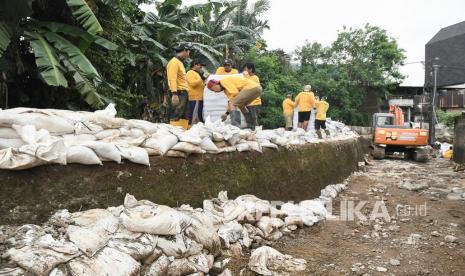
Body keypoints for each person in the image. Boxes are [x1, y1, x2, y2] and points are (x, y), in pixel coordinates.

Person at [166, 44, 190, 129]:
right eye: (188, 52)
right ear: (184, 51)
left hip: (183, 92)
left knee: (184, 115)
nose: (188, 55)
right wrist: (174, 94)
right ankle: (174, 132)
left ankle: (183, 133)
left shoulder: (179, 62)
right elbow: (172, 78)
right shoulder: (174, 62)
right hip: (178, 92)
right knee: (176, 114)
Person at [186, 60, 206, 125]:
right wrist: (201, 78)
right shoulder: (190, 73)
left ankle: (197, 129)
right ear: (195, 65)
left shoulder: (196, 73)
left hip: (199, 98)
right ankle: (191, 129)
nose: (201, 67)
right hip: (195, 98)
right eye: (200, 65)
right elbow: (193, 84)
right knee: (194, 116)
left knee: (199, 115)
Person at [243, 63, 261, 128]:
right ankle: (252, 134)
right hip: (248, 104)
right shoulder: (248, 77)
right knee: (249, 121)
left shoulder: (254, 78)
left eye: (245, 69)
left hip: (254, 103)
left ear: (250, 69)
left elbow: (248, 86)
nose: (244, 71)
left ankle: (257, 133)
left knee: (254, 120)